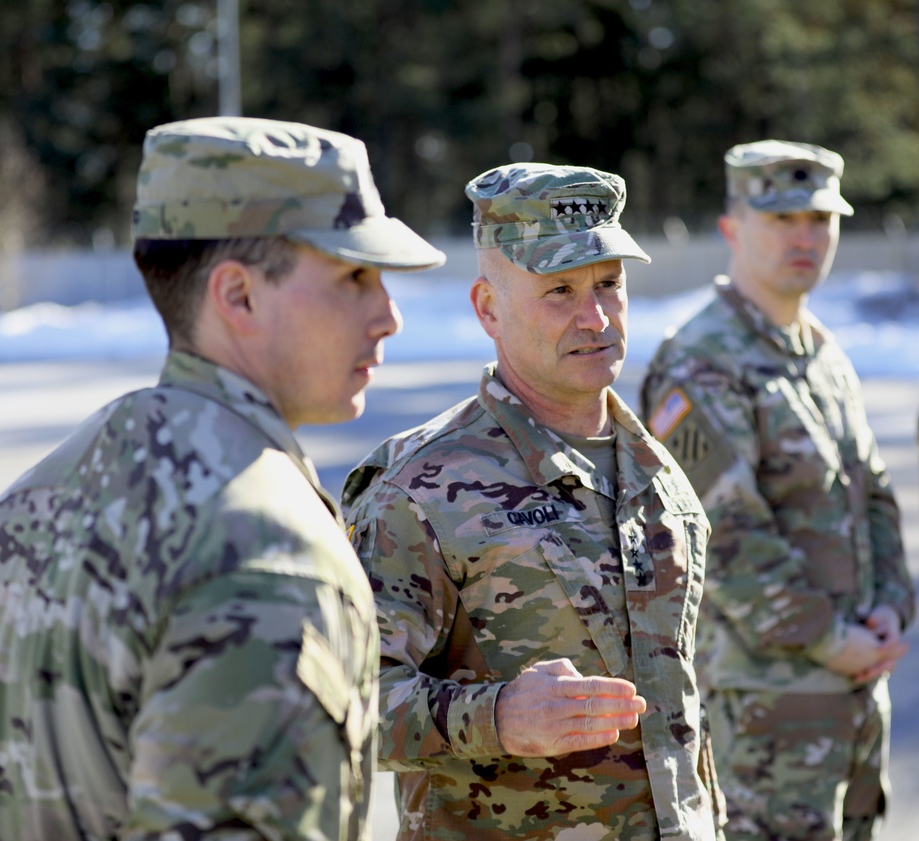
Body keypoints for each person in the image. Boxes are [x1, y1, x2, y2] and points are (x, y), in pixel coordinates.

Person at [0, 117, 445, 840]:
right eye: (354, 276)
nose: (387, 315)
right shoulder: (267, 550)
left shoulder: (27, 503)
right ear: (238, 296)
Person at [342, 163, 724, 840]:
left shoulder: (655, 468)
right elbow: (341, 706)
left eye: (610, 283)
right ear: (488, 306)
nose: (596, 315)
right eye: (559, 290)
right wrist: (498, 717)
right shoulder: (420, 487)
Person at [641, 140, 916, 841]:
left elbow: (874, 496)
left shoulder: (822, 352)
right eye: (783, 218)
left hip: (852, 688)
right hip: (766, 707)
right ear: (733, 227)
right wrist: (831, 637)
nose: (806, 236)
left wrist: (889, 608)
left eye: (821, 220)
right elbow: (722, 534)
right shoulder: (703, 359)